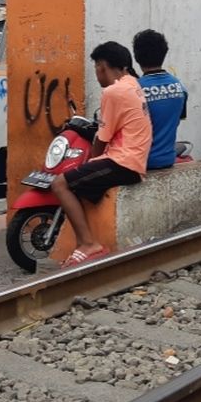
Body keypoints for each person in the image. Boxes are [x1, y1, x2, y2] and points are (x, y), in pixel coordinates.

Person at [51, 41, 151, 267]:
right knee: (82, 181)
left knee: (60, 184)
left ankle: (88, 244)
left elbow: (102, 139)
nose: (96, 73)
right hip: (134, 160)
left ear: (103, 66)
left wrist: (89, 160)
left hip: (123, 162)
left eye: (96, 67)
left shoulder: (113, 91)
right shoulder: (132, 84)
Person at [133, 29, 187, 170]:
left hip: (140, 161)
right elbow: (175, 121)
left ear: (136, 57)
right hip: (168, 158)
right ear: (164, 53)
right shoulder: (180, 87)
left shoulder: (134, 90)